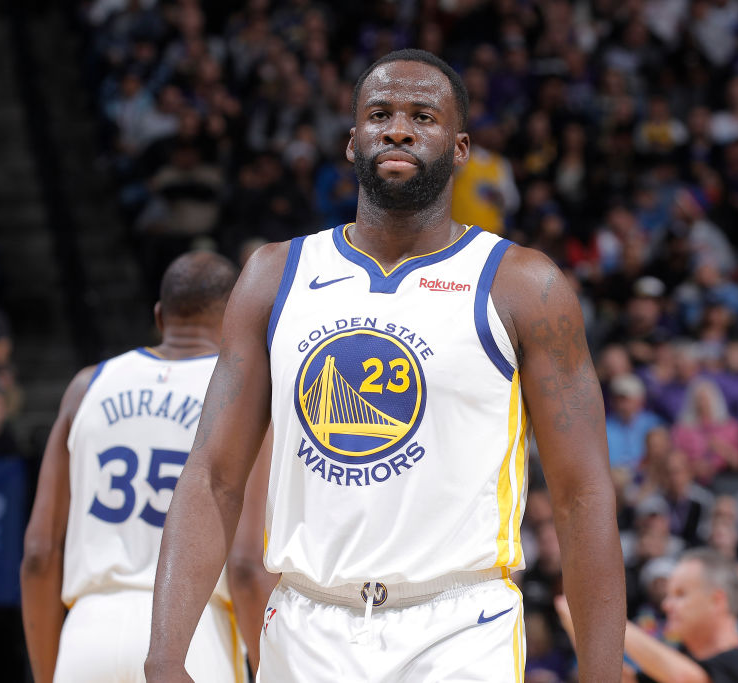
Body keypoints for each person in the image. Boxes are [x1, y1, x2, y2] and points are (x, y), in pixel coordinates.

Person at [145, 49, 625, 682]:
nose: (398, 128)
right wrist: (164, 656)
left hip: (460, 625)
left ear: (459, 149)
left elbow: (582, 492)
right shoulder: (273, 275)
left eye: (422, 116)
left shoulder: (524, 286)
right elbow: (212, 477)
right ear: (352, 142)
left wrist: (603, 673)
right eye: (380, 113)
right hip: (304, 621)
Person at [20, 252, 244, 683]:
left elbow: (38, 553)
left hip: (87, 631)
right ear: (234, 317)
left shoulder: (87, 386)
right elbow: (247, 565)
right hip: (193, 632)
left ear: (159, 316)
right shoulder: (240, 397)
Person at [558, 549, 738, 682]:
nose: (666, 605)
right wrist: (577, 624)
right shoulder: (682, 662)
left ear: (716, 600)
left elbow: (685, 679)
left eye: (680, 594)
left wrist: (602, 615)